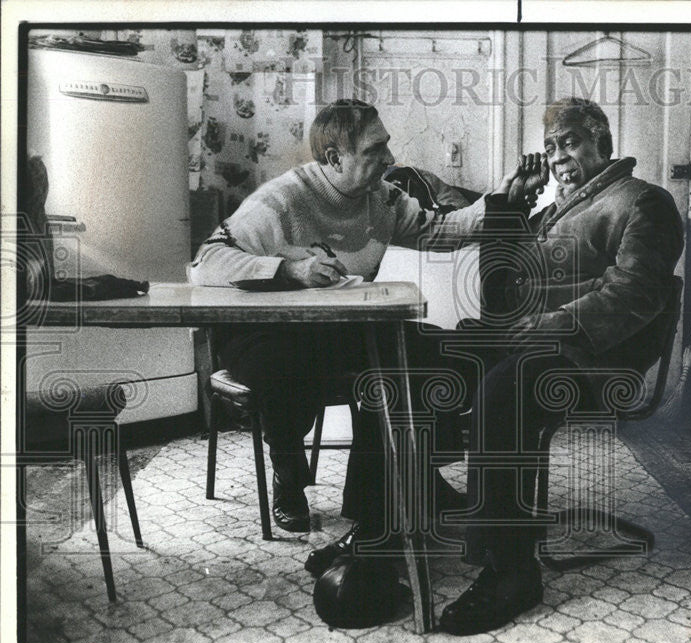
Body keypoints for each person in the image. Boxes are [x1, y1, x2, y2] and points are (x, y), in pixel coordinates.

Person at [190, 99, 539, 539]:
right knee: (285, 370)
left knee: (421, 353)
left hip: (337, 327)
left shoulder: (383, 199)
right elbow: (205, 261)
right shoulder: (283, 198)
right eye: (375, 150)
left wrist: (503, 195)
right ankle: (289, 476)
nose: (390, 160)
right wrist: (290, 271)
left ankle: (395, 488)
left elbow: (441, 229)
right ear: (335, 157)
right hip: (265, 331)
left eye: (386, 147)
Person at [436, 97, 685, 636]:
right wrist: (509, 206)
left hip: (597, 362)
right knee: (426, 351)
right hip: (537, 347)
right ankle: (392, 515)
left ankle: (511, 571)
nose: (557, 157)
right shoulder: (556, 208)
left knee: (508, 387)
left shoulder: (644, 201)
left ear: (602, 141)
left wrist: (552, 324)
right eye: (550, 147)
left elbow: (636, 293)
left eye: (568, 142)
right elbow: (500, 293)